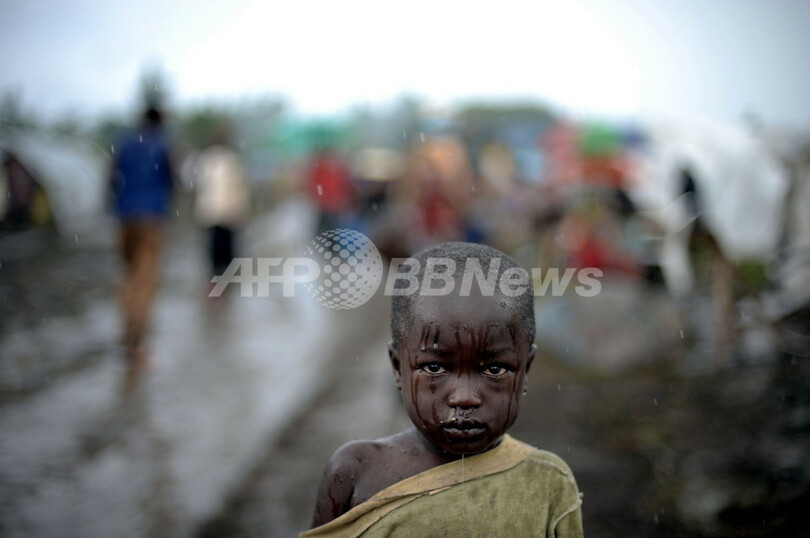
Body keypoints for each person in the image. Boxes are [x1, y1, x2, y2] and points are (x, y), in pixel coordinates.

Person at [303, 242, 584, 537]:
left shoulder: (548, 481)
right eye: (435, 368)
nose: (465, 397)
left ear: (525, 371)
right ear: (397, 367)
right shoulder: (356, 472)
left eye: (495, 369)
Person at [111, 106, 174, 368]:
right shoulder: (162, 145)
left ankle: (127, 330)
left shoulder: (124, 143)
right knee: (145, 279)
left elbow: (112, 179)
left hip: (126, 218)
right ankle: (136, 341)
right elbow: (171, 181)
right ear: (159, 122)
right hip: (151, 219)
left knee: (129, 275)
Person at [192, 134, 251, 294]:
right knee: (225, 245)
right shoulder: (231, 160)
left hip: (214, 211)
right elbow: (240, 186)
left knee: (216, 245)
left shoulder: (205, 160)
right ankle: (224, 273)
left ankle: (217, 273)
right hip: (226, 210)